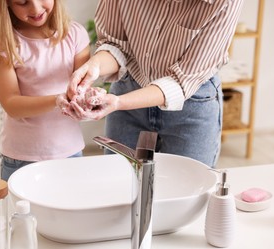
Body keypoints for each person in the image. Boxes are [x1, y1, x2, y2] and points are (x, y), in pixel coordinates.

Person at [66, 0, 244, 168]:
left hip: (191, 102)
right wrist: (94, 67)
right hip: (130, 87)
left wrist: (119, 102)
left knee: (186, 190)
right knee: (119, 183)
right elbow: (115, 44)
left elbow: (182, 80)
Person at [0, 0, 91, 181]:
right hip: (22, 158)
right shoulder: (3, 43)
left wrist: (88, 98)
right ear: (6, 4)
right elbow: (12, 105)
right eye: (22, 2)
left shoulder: (75, 34)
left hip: (70, 152)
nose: (35, 8)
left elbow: (83, 89)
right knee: (21, 210)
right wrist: (58, 99)